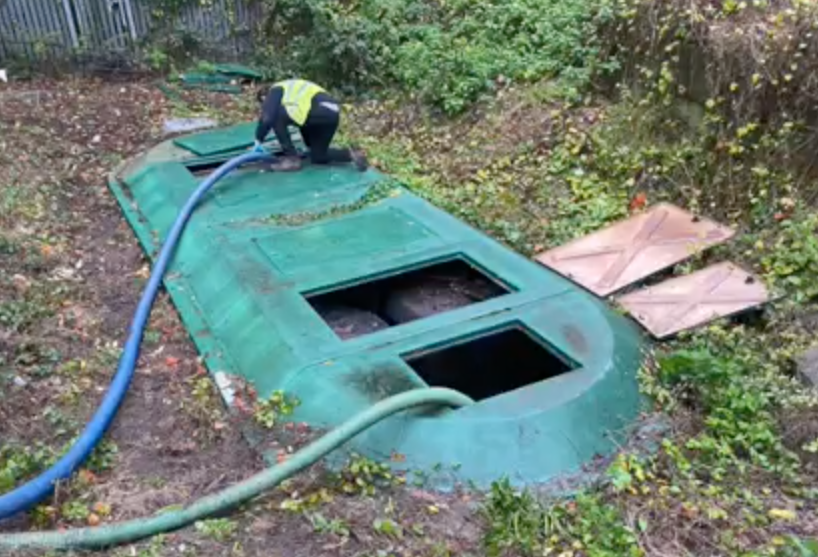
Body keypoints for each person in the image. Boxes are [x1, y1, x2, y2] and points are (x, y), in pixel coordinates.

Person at [253, 78, 368, 172]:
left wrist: (258, 139)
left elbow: (268, 117)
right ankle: (351, 154)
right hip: (332, 113)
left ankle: (292, 159)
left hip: (318, 110)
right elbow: (301, 119)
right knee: (318, 156)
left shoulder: (276, 89)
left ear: (264, 97)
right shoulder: (292, 94)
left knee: (276, 116)